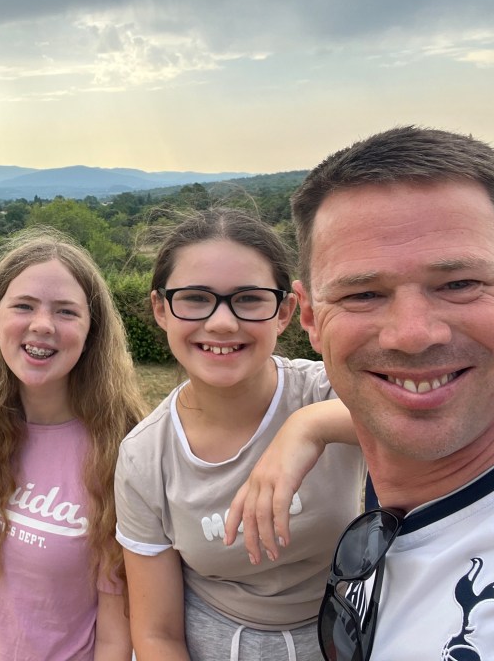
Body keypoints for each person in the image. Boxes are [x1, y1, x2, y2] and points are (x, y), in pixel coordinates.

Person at [290, 126, 494, 660]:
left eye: (460, 284)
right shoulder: (389, 506)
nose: (413, 334)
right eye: (363, 294)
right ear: (309, 315)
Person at [114, 208, 367, 661]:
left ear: (284, 312)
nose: (222, 323)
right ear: (161, 309)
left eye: (249, 299)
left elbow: (455, 415)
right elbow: (157, 634)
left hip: (345, 637)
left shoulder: (325, 392)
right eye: (195, 298)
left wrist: (308, 428)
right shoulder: (144, 457)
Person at [0, 228, 145, 661]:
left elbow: (116, 628)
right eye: (24, 306)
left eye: (66, 311)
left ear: (90, 330)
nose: (42, 325)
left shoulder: (120, 449)